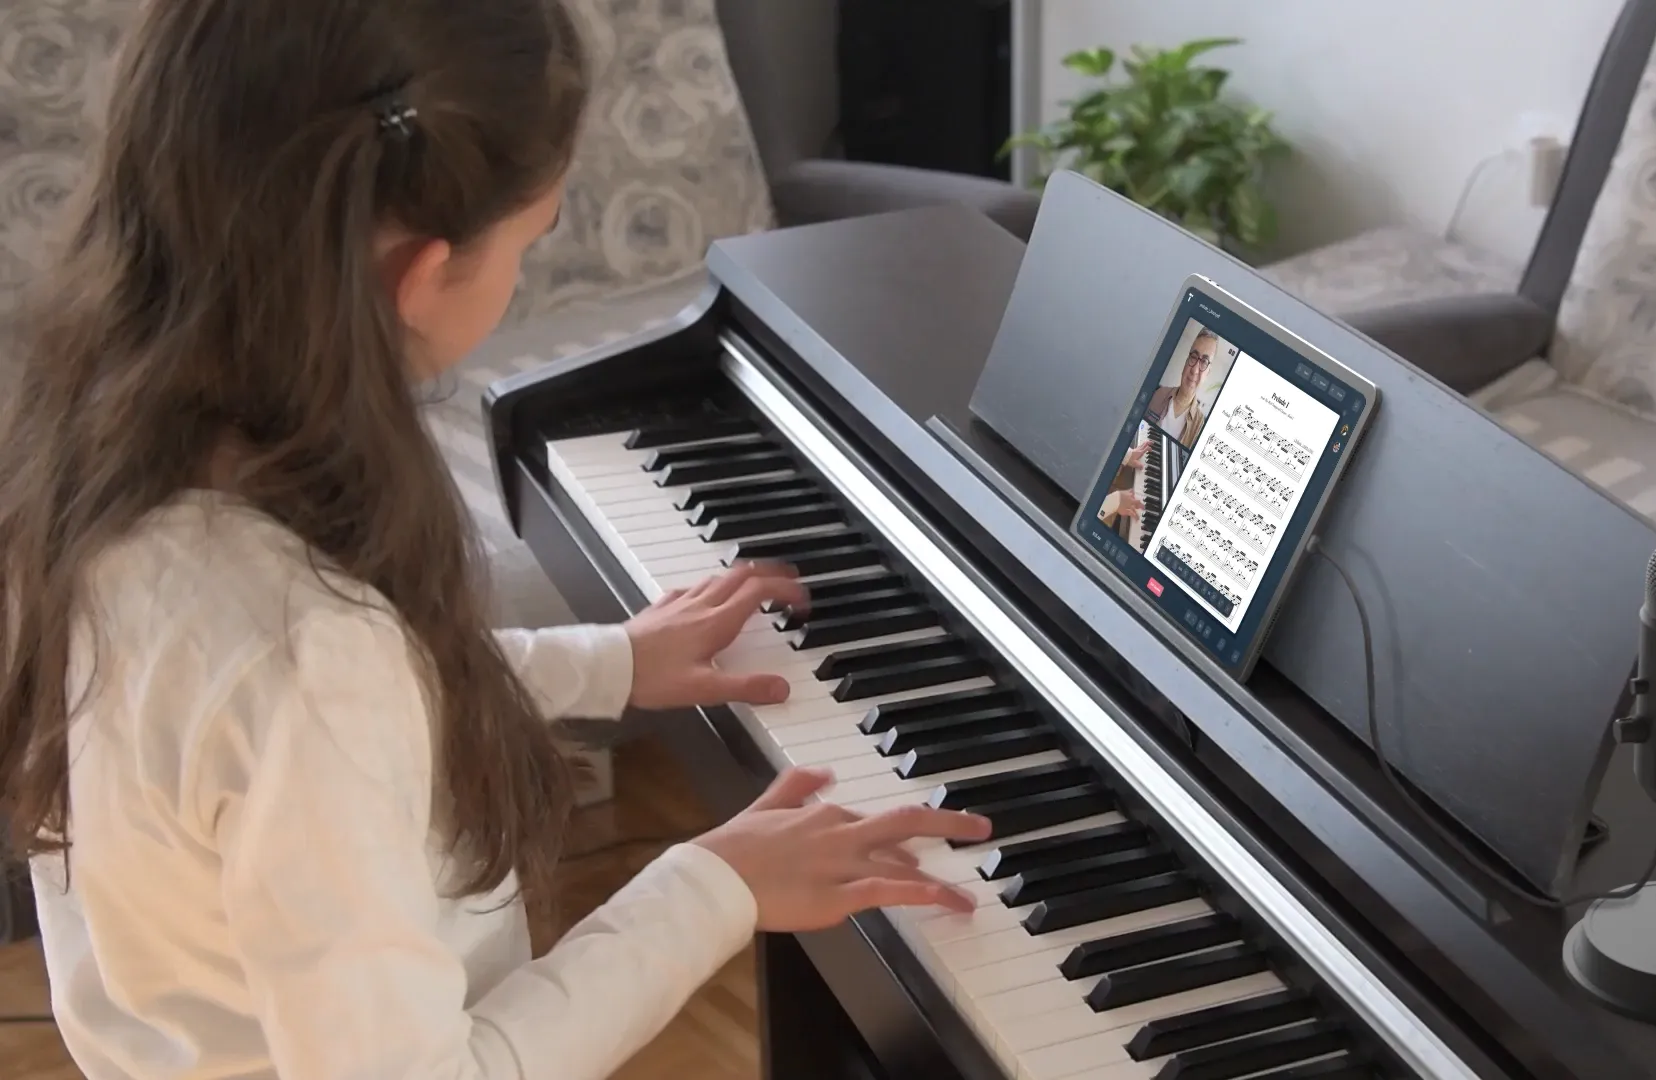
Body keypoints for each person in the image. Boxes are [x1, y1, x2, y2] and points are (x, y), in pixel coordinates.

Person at [0, 2, 990, 1077]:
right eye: (534, 236)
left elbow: (302, 725)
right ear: (424, 275)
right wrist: (714, 885)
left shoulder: (116, 467)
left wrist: (610, 662)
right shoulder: (314, 651)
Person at [1145, 330, 1220, 450]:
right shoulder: (1157, 394)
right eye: (1194, 357)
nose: (1195, 370)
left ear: (1208, 373)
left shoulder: (1200, 429)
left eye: (1204, 362)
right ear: (1186, 362)